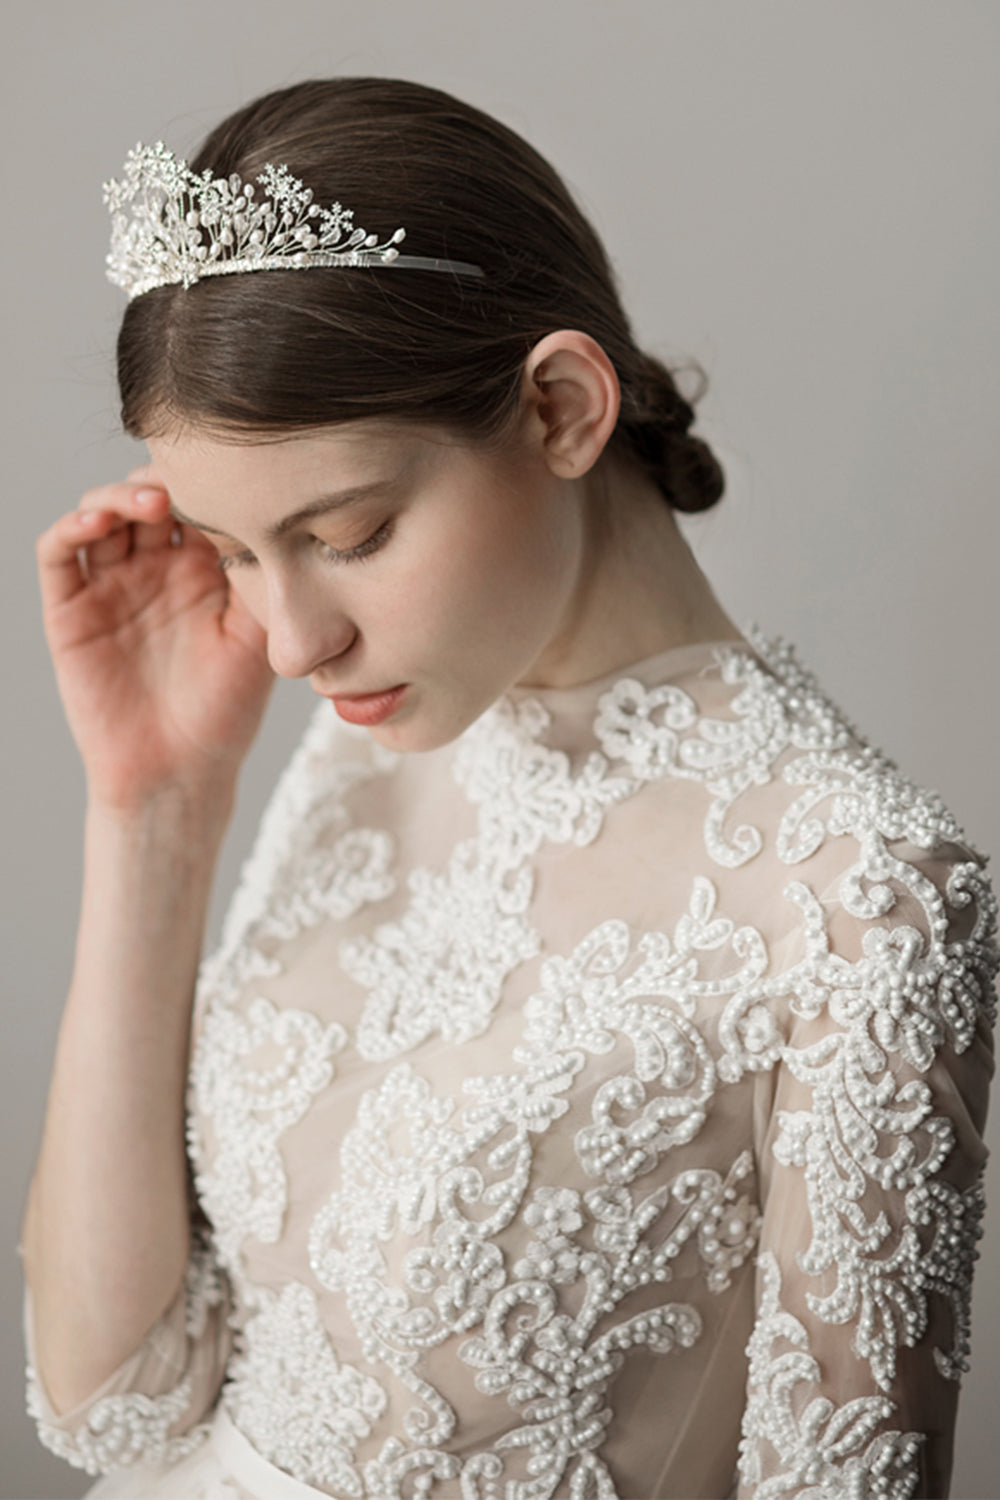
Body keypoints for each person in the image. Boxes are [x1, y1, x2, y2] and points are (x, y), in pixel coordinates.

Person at [20, 76, 998, 1500]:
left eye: (347, 532)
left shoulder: (863, 902)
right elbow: (112, 1406)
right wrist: (153, 808)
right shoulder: (377, 738)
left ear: (560, 406)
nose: (291, 642)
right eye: (232, 553)